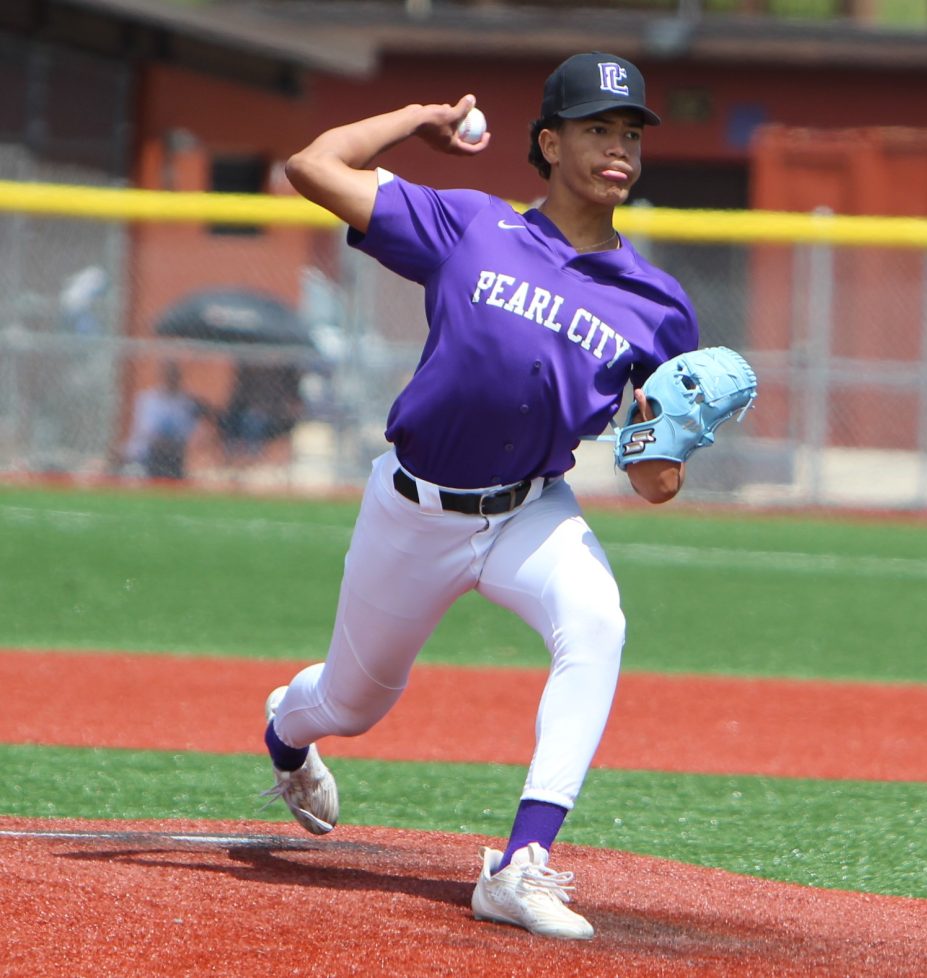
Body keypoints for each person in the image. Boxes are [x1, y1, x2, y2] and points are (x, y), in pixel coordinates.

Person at [260, 51, 699, 940]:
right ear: (548, 141)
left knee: (599, 624)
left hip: (531, 509)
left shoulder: (658, 303)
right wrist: (418, 115)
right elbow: (312, 167)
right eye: (597, 129)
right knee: (352, 702)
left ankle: (522, 866)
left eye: (630, 133)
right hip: (413, 508)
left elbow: (656, 483)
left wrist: (668, 438)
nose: (619, 148)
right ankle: (284, 737)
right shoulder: (470, 226)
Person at [118, 361, 208, 480]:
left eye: (174, 376)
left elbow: (190, 435)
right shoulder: (148, 400)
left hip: (173, 457)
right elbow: (146, 433)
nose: (171, 379)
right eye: (168, 375)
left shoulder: (185, 404)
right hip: (145, 457)